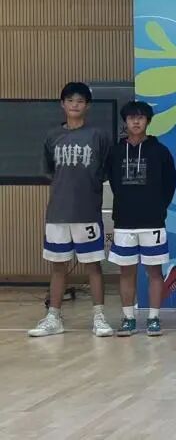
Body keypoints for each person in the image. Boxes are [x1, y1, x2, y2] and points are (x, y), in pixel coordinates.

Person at [29, 82, 114, 338]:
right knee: (58, 266)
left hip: (87, 212)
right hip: (58, 213)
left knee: (93, 265)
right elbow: (49, 171)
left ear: (87, 106)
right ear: (62, 104)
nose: (75, 105)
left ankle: (99, 317)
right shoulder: (52, 136)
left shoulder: (98, 136)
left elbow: (105, 170)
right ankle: (53, 317)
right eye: (70, 100)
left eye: (80, 101)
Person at [107, 101, 176, 337]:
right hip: (124, 222)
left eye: (140, 117)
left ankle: (154, 318)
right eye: (131, 118)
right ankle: (128, 318)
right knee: (126, 272)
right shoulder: (116, 152)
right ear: (125, 121)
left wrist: (157, 208)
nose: (136, 122)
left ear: (148, 121)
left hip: (153, 222)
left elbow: (169, 184)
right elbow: (114, 182)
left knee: (154, 272)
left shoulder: (160, 151)